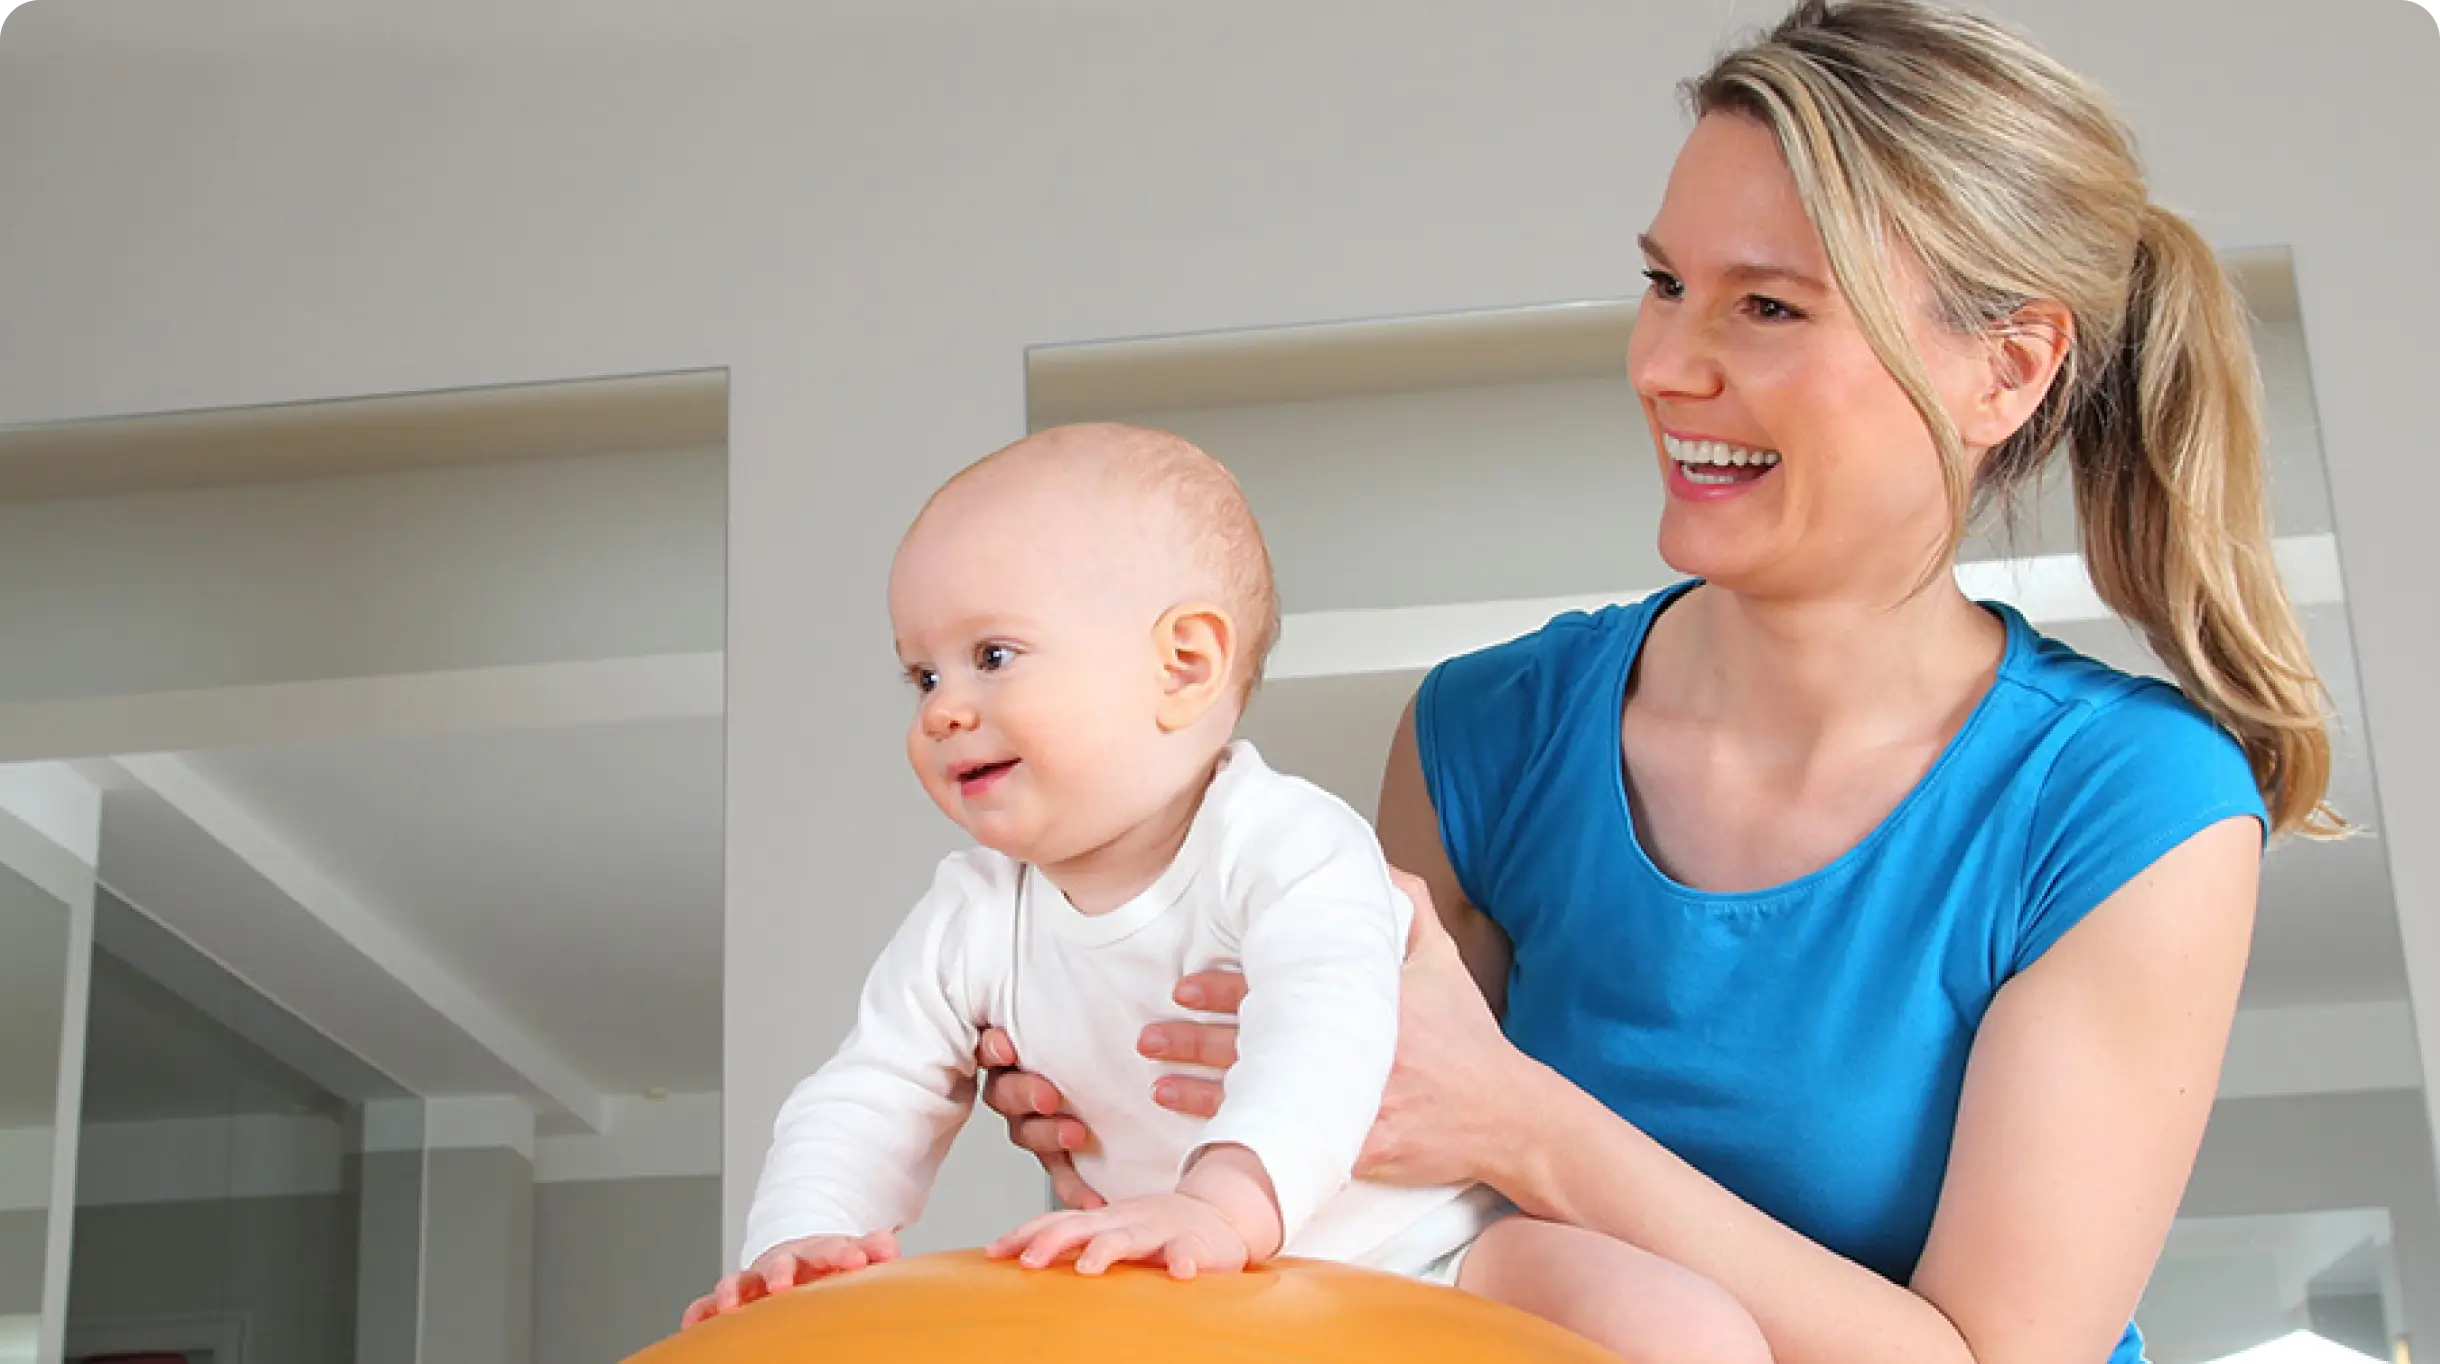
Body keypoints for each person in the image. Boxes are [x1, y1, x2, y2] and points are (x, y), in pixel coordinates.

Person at [977, 3, 2342, 1361]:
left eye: (1766, 306)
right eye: (1664, 286)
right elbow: (1384, 1244)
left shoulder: (2125, 804)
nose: (1664, 365)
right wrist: (1133, 1117)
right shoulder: (1483, 739)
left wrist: (1523, 1122)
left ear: (2008, 370)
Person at [683, 423, 1773, 1361]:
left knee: (1688, 1331)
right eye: (922, 674)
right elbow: (869, 1088)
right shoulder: (969, 913)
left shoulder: (1286, 842)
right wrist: (804, 1237)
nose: (942, 708)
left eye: (993, 655)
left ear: (1183, 664)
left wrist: (1226, 1196)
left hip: (1434, 1252)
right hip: (1192, 1287)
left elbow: (1325, 1023)